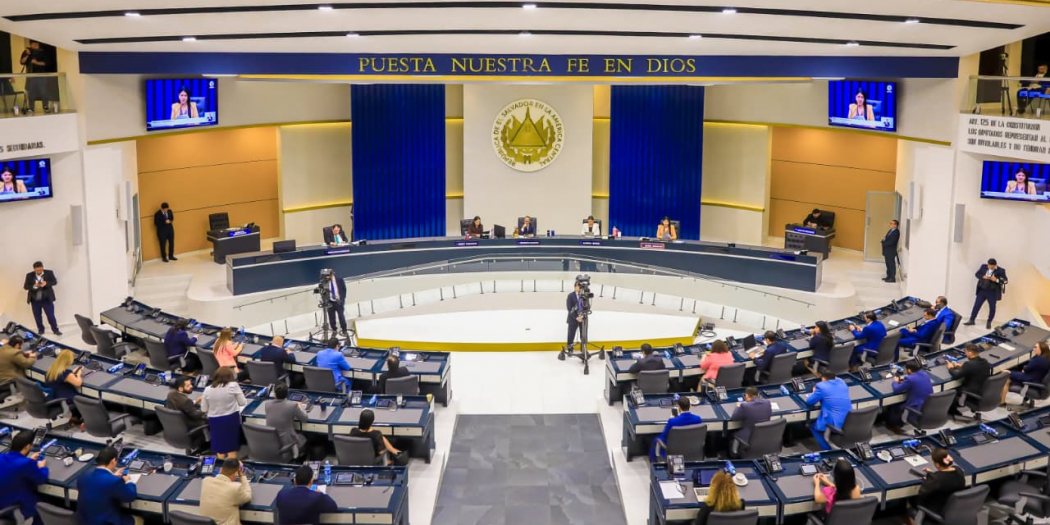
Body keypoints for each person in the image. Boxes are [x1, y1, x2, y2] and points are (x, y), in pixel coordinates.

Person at [76, 446, 140, 525]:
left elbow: (99, 484)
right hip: (105, 522)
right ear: (113, 461)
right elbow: (130, 496)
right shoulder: (114, 481)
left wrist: (112, 476)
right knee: (139, 520)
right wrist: (128, 481)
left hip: (83, 521)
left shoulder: (83, 476)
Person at [904, 449, 965, 525]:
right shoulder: (958, 470)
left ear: (937, 464)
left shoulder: (936, 480)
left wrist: (930, 479)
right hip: (954, 507)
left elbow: (922, 496)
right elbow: (944, 477)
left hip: (938, 510)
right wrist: (931, 474)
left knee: (909, 501)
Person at [0, 430, 49, 524]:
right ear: (27, 447)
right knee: (47, 504)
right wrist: (42, 467)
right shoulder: (26, 463)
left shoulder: (1, 457)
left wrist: (29, 460)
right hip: (17, 507)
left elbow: (14, 466)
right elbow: (41, 479)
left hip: (2, 502)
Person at [201, 366, 247, 459]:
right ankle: (232, 466)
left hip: (215, 421)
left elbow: (204, 409)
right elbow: (242, 402)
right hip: (230, 420)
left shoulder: (207, 389)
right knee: (231, 447)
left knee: (220, 447)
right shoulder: (233, 386)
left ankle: (220, 465)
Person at [806, 371, 851, 450]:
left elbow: (809, 402)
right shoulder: (842, 383)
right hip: (849, 420)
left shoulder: (821, 387)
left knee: (812, 426)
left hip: (834, 422)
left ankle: (827, 450)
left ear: (823, 378)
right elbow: (837, 379)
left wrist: (814, 392)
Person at [885, 361, 933, 434]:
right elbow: (915, 379)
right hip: (926, 405)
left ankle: (894, 425)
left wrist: (895, 382)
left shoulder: (910, 379)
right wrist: (905, 379)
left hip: (915, 407)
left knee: (893, 405)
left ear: (909, 370)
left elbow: (897, 390)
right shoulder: (925, 374)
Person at [200, 458, 252, 525]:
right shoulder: (235, 488)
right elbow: (248, 496)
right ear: (235, 474)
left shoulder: (206, 481)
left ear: (221, 469)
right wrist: (242, 475)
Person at [165, 375, 209, 452]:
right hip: (188, 427)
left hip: (176, 428)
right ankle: (207, 445)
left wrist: (195, 402)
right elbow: (195, 415)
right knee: (208, 421)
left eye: (191, 384)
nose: (191, 386)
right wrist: (205, 409)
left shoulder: (170, 394)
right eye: (188, 386)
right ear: (180, 389)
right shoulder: (186, 401)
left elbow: (183, 406)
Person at [266, 383, 309, 459]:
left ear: (275, 394)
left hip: (272, 442)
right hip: (288, 442)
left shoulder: (267, 404)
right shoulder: (292, 405)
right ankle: (300, 459)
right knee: (305, 437)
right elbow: (305, 418)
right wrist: (300, 408)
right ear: (287, 394)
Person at [964, 258, 1008, 329]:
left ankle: (989, 322)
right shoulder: (983, 266)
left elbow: (1005, 281)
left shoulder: (1001, 270)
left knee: (992, 307)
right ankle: (972, 320)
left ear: (995, 265)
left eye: (992, 267)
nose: (990, 267)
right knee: (976, 305)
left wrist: (996, 280)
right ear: (987, 264)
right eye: (989, 266)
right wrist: (982, 276)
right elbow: (977, 274)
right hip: (982, 290)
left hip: (992, 292)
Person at [45, 349, 83, 427]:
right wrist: (78, 374)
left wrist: (72, 374)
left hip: (55, 397)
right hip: (66, 399)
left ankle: (75, 417)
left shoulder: (51, 370)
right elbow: (78, 383)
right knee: (85, 397)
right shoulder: (65, 373)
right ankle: (77, 418)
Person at [947, 344, 991, 412]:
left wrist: (950, 368)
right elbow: (975, 369)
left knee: (949, 390)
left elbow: (956, 376)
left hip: (970, 392)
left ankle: (953, 410)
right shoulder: (985, 361)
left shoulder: (969, 364)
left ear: (970, 353)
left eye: (966, 352)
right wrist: (962, 367)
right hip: (981, 390)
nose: (965, 354)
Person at [23, 261, 60, 335]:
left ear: (42, 267)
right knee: (37, 316)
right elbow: (26, 287)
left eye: (40, 270)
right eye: (37, 271)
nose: (39, 272)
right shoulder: (29, 275)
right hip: (35, 300)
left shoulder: (49, 273)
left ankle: (55, 330)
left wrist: (46, 283)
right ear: (34, 269)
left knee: (51, 315)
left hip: (47, 299)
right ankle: (41, 330)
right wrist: (34, 285)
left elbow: (54, 282)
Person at [730, 387, 772, 452]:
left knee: (731, 433)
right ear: (758, 395)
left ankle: (733, 454)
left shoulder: (745, 406)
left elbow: (734, 418)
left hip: (748, 437)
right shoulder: (767, 402)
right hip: (764, 435)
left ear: (747, 395)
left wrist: (737, 406)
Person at [20, 40, 54, 114]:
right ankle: (31, 108)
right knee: (31, 92)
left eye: (36, 44)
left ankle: (45, 106)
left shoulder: (42, 52)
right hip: (30, 75)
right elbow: (22, 62)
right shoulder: (27, 51)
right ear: (30, 44)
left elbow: (46, 63)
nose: (35, 46)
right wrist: (27, 54)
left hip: (41, 75)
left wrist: (36, 62)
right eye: (33, 44)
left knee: (43, 91)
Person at [322, 270, 348, 335]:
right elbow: (323, 292)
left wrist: (342, 299)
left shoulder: (339, 279)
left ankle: (344, 330)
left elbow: (344, 289)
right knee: (331, 317)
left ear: (332, 275)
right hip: (330, 302)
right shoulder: (324, 281)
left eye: (328, 276)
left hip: (338, 302)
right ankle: (334, 330)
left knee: (341, 316)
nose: (327, 278)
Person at [566, 281, 584, 351]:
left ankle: (583, 348)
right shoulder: (570, 296)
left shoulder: (583, 296)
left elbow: (587, 306)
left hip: (582, 319)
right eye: (578, 286)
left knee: (583, 335)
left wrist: (582, 316)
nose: (580, 287)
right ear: (575, 287)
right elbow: (569, 308)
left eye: (580, 286)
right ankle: (570, 348)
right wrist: (577, 317)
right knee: (571, 335)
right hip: (573, 319)